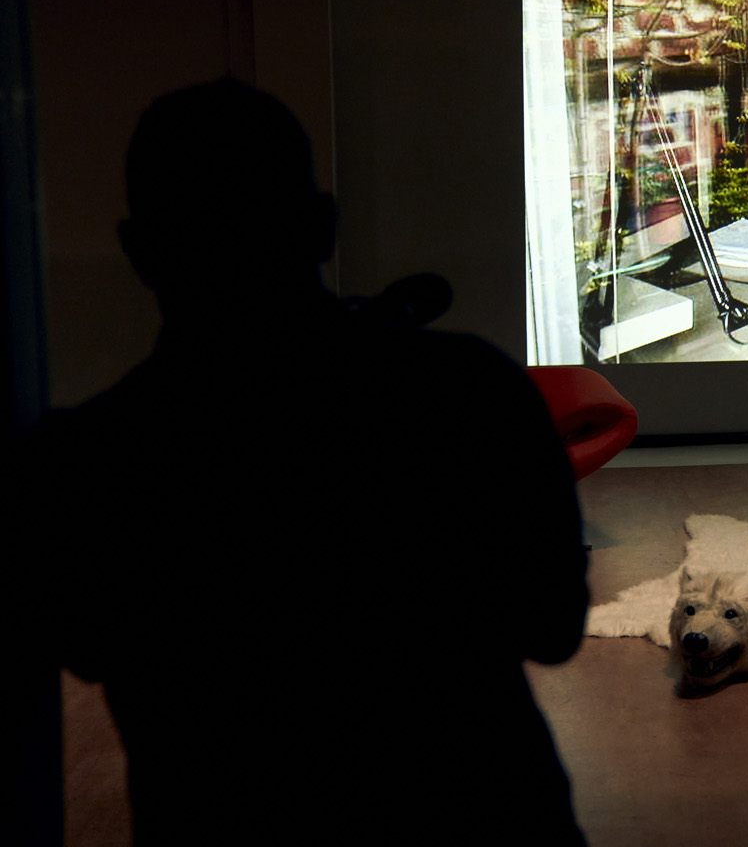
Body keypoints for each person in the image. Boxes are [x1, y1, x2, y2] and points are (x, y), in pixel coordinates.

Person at [9, 80, 589, 844]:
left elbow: (86, 646)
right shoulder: (469, 390)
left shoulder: (81, 462)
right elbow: (553, 625)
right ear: (323, 226)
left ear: (138, 252)